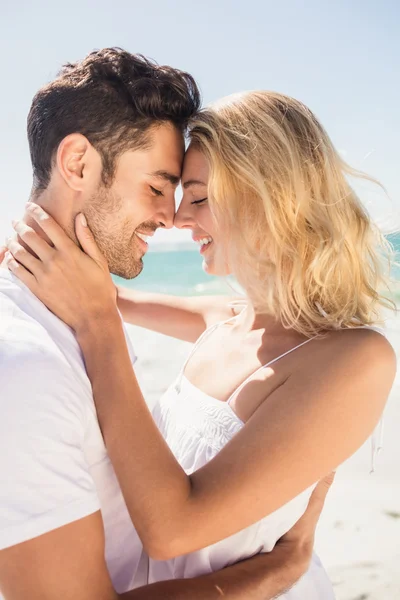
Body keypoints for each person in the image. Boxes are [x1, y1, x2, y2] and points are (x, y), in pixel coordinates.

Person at [5, 92, 396, 598]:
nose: (177, 218)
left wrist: (100, 324)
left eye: (200, 197)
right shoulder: (228, 319)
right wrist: (30, 250)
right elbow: (102, 291)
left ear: (272, 195)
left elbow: (173, 530)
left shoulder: (355, 360)